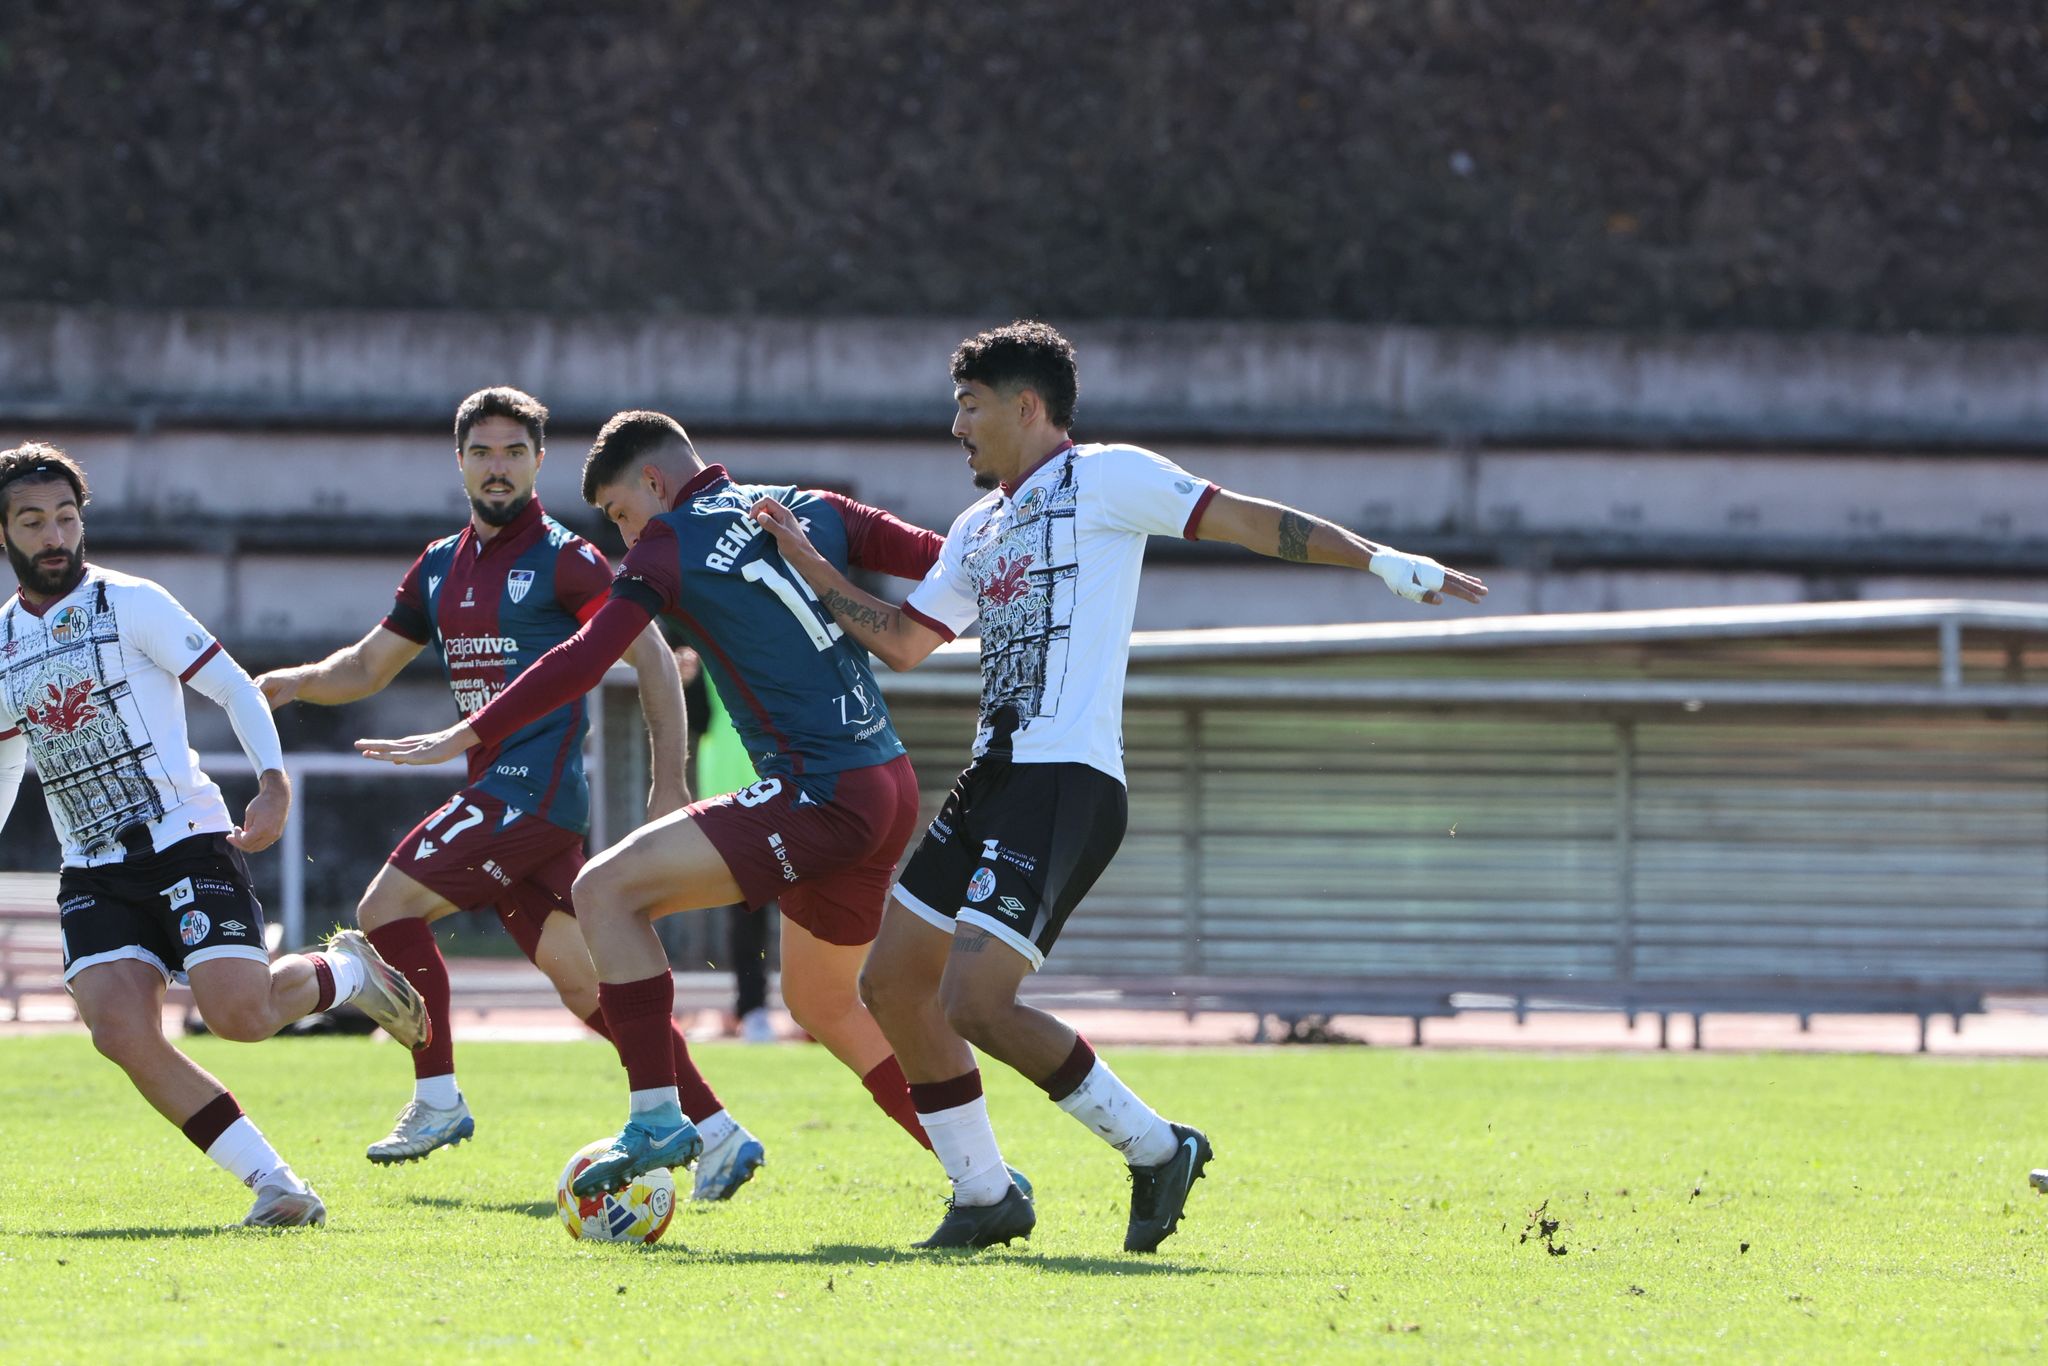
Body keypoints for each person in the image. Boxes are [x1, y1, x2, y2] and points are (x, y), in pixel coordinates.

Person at [750, 320, 1489, 1252]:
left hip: (1068, 778)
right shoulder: (979, 527)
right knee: (893, 983)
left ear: (1027, 407)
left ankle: (1155, 1146)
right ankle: (984, 1195)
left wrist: (1381, 562)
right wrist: (811, 569)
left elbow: (1250, 520)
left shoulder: (1107, 476)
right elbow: (904, 641)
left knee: (975, 1002)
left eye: (970, 408)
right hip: (996, 774)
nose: (956, 428)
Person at [354, 411, 972, 1202]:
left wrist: (471, 729)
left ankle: (657, 1117)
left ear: (651, 482)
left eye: (618, 514)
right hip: (889, 778)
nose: (621, 537)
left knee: (605, 891)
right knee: (822, 1003)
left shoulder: (666, 542)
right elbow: (947, 558)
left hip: (816, 792)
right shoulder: (806, 504)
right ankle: (981, 1174)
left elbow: (586, 653)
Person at [257, 388, 764, 1201]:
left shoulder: (568, 559)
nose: (499, 467)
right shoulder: (436, 567)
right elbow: (363, 667)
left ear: (538, 462)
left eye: (515, 452)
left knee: (385, 910)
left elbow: (658, 659)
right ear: (459, 461)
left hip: (529, 794)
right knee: (587, 985)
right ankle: (719, 1133)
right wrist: (286, 684)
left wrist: (670, 782)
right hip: (508, 803)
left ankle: (437, 1098)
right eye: (484, 452)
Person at [0, 443, 429, 1228]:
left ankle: (346, 972)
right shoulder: (1, 645)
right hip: (91, 868)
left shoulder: (132, 602)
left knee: (241, 1015)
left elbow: (232, 687)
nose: (54, 534)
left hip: (185, 839)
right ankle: (277, 1185)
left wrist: (272, 780)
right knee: (118, 1031)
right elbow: (8, 761)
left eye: (65, 516)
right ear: (5, 533)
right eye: (32, 521)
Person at [675, 643, 774, 1043]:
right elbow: (698, 720)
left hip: (791, 793)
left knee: (811, 908)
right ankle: (752, 1010)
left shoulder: (781, 648)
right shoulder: (709, 656)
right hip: (733, 801)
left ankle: (827, 1007)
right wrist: (686, 682)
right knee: (748, 914)